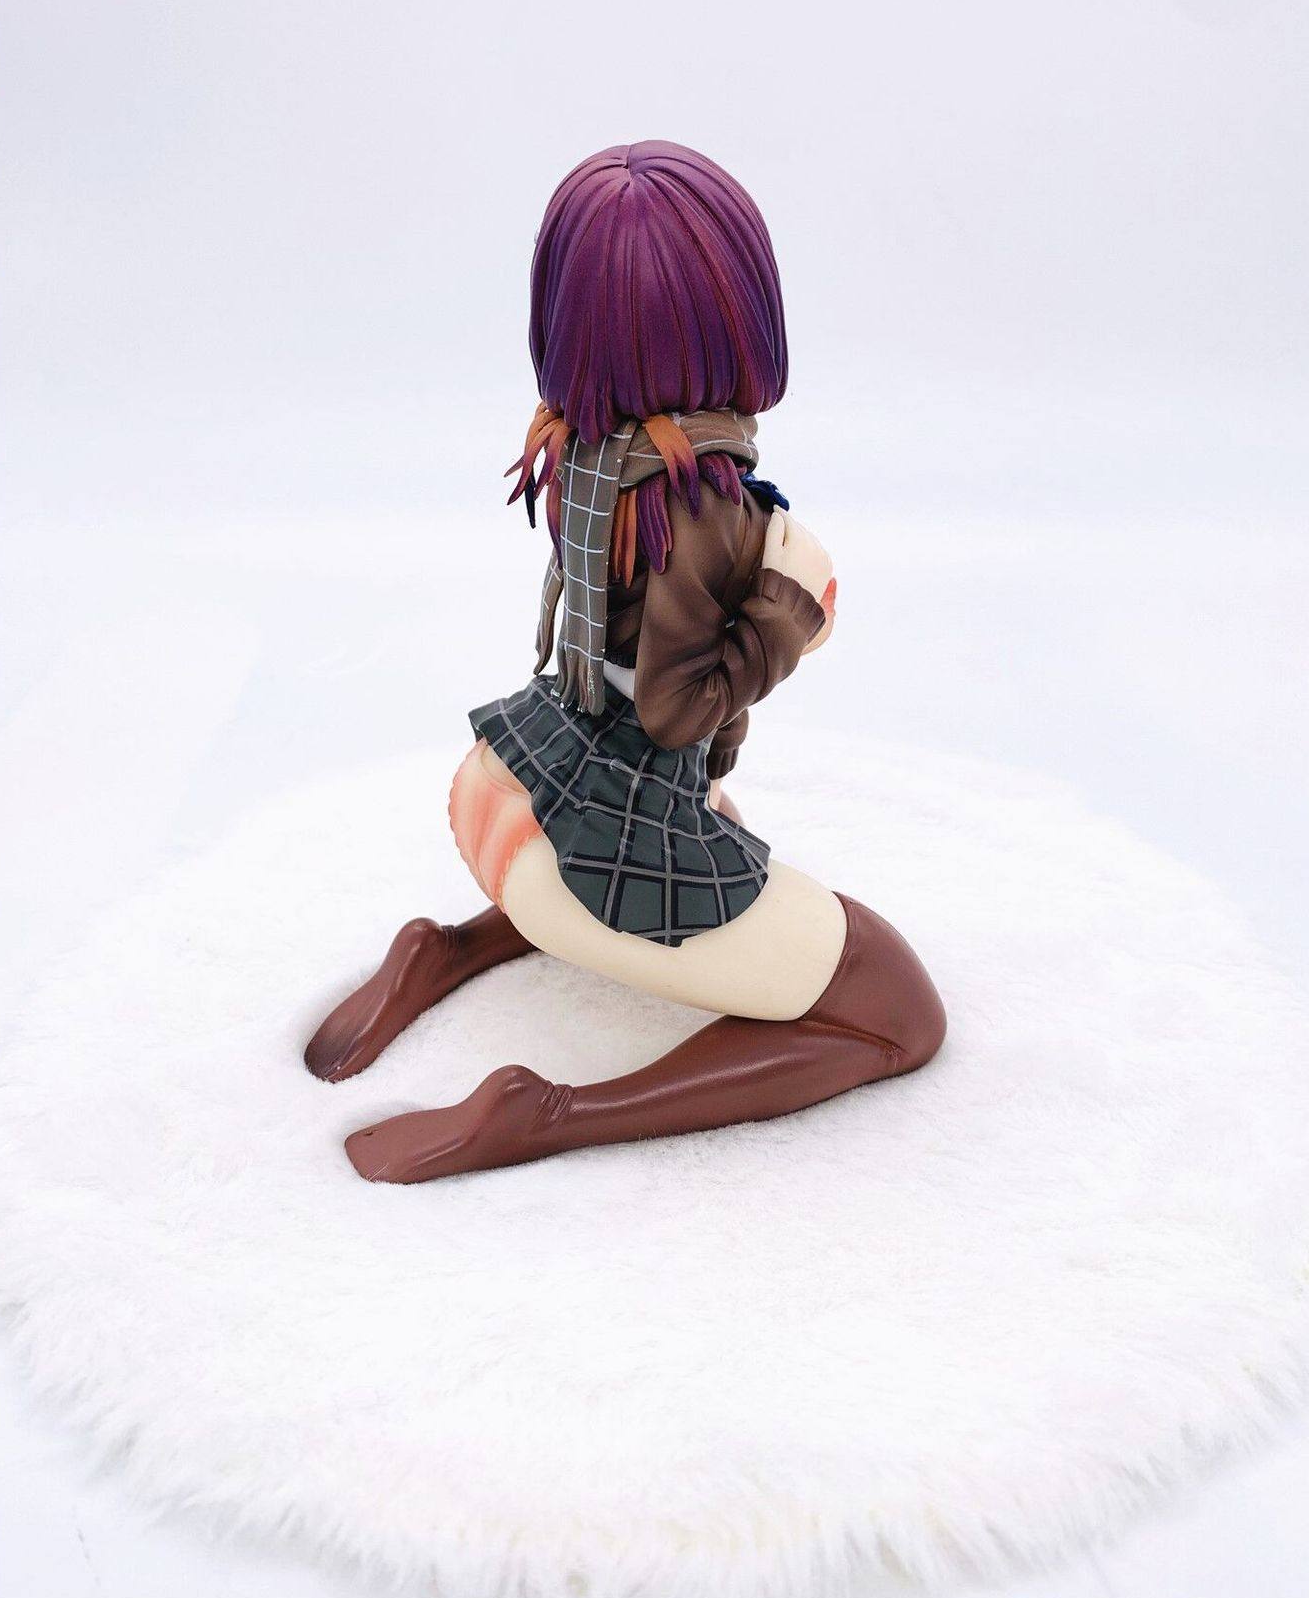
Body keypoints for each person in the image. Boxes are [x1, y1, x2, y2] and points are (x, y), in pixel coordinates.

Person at [305, 141, 945, 1180]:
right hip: (584, 848)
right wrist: (788, 611)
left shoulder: (576, 446)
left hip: (510, 775)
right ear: (740, 308)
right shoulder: (704, 502)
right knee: (899, 1009)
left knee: (726, 816)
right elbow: (677, 712)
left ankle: (448, 948)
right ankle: (548, 1112)